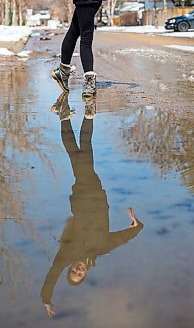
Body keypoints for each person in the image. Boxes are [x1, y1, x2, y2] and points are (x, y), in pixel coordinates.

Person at [40, 110, 143, 317]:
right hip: (96, 195)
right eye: (80, 274)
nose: (77, 271)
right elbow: (122, 238)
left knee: (82, 155)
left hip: (82, 198)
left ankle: (83, 117)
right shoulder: (101, 248)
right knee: (80, 154)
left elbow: (53, 272)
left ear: (71, 269)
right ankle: (70, 117)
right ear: (85, 273)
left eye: (73, 272)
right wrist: (136, 225)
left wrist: (46, 298)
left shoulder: (67, 254)